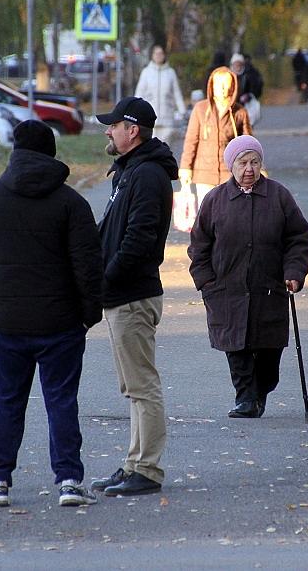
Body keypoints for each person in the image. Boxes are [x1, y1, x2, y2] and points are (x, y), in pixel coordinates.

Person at [0, 120, 103, 509]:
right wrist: (89, 315)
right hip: (62, 323)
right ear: (51, 153)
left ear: (15, 151)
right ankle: (70, 481)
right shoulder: (71, 203)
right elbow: (89, 264)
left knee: (6, 403)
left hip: (5, 323)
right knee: (62, 402)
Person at [188, 135, 308, 418]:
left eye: (254, 162)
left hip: (269, 287)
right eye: (242, 163)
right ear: (231, 166)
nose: (249, 169)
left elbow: (298, 237)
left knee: (269, 351)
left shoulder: (278, 196)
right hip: (225, 288)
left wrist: (294, 272)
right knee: (236, 346)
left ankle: (260, 391)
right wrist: (205, 280)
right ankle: (245, 399)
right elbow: (199, 244)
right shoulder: (215, 200)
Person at [93, 96, 179, 497]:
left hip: (131, 295)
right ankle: (133, 463)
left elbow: (139, 240)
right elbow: (113, 231)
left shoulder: (146, 175)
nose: (108, 131)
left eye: (113, 125)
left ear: (133, 131)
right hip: (121, 294)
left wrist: (108, 278)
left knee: (142, 386)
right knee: (133, 387)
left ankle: (147, 469)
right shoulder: (130, 171)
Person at [179, 66, 253, 211]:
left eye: (226, 83)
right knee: (207, 214)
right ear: (212, 85)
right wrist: (185, 167)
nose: (223, 88)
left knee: (229, 213)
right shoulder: (200, 109)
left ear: (233, 85)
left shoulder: (239, 112)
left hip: (230, 173)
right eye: (219, 84)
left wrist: (257, 168)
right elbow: (191, 141)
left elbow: (249, 145)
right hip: (204, 174)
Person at [135, 44, 187, 129]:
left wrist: (183, 112)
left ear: (164, 55)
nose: (158, 56)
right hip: (150, 120)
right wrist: (136, 112)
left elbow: (177, 94)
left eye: (161, 53)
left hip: (167, 121)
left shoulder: (171, 73)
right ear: (152, 55)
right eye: (156, 53)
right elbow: (139, 94)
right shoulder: (146, 73)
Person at [230, 53, 264, 125]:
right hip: (231, 105)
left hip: (244, 105)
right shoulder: (228, 77)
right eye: (236, 64)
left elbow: (254, 89)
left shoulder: (247, 76)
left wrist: (248, 96)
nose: (238, 67)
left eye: (239, 64)